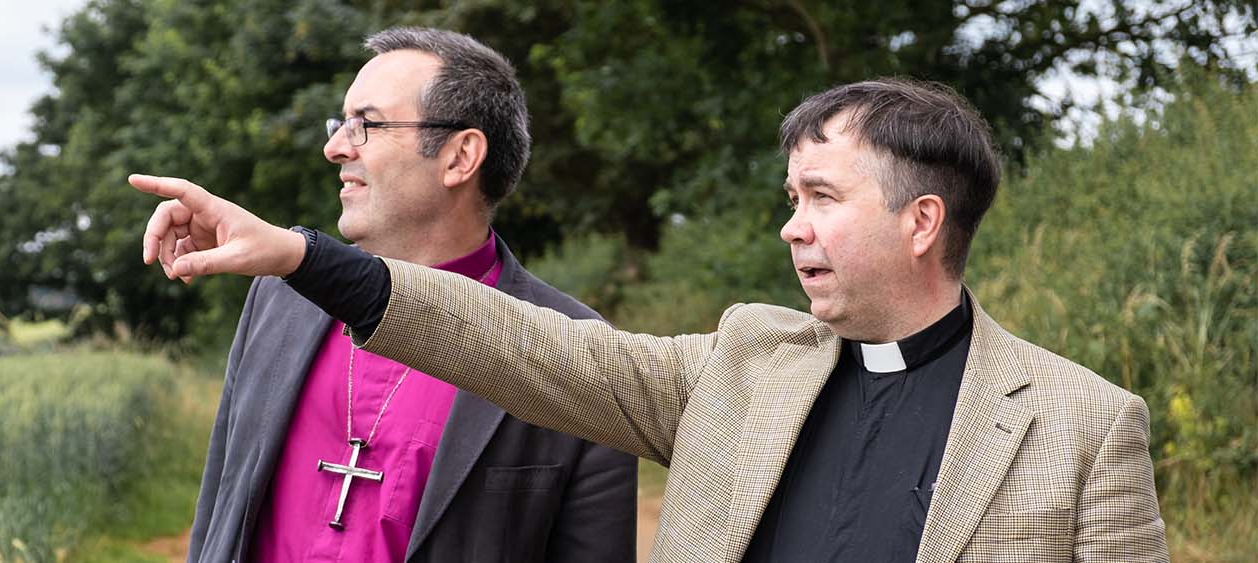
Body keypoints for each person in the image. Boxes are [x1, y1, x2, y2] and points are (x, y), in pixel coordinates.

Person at [130, 78, 1168, 562]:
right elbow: (523, 340)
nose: (789, 225)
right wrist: (309, 256)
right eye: (790, 197)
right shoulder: (745, 364)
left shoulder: (1082, 424)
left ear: (920, 221)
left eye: (819, 197)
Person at [144, 27, 636, 563]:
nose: (334, 148)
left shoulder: (580, 356)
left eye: (367, 125)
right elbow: (219, 512)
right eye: (341, 124)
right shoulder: (278, 300)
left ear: (459, 157)